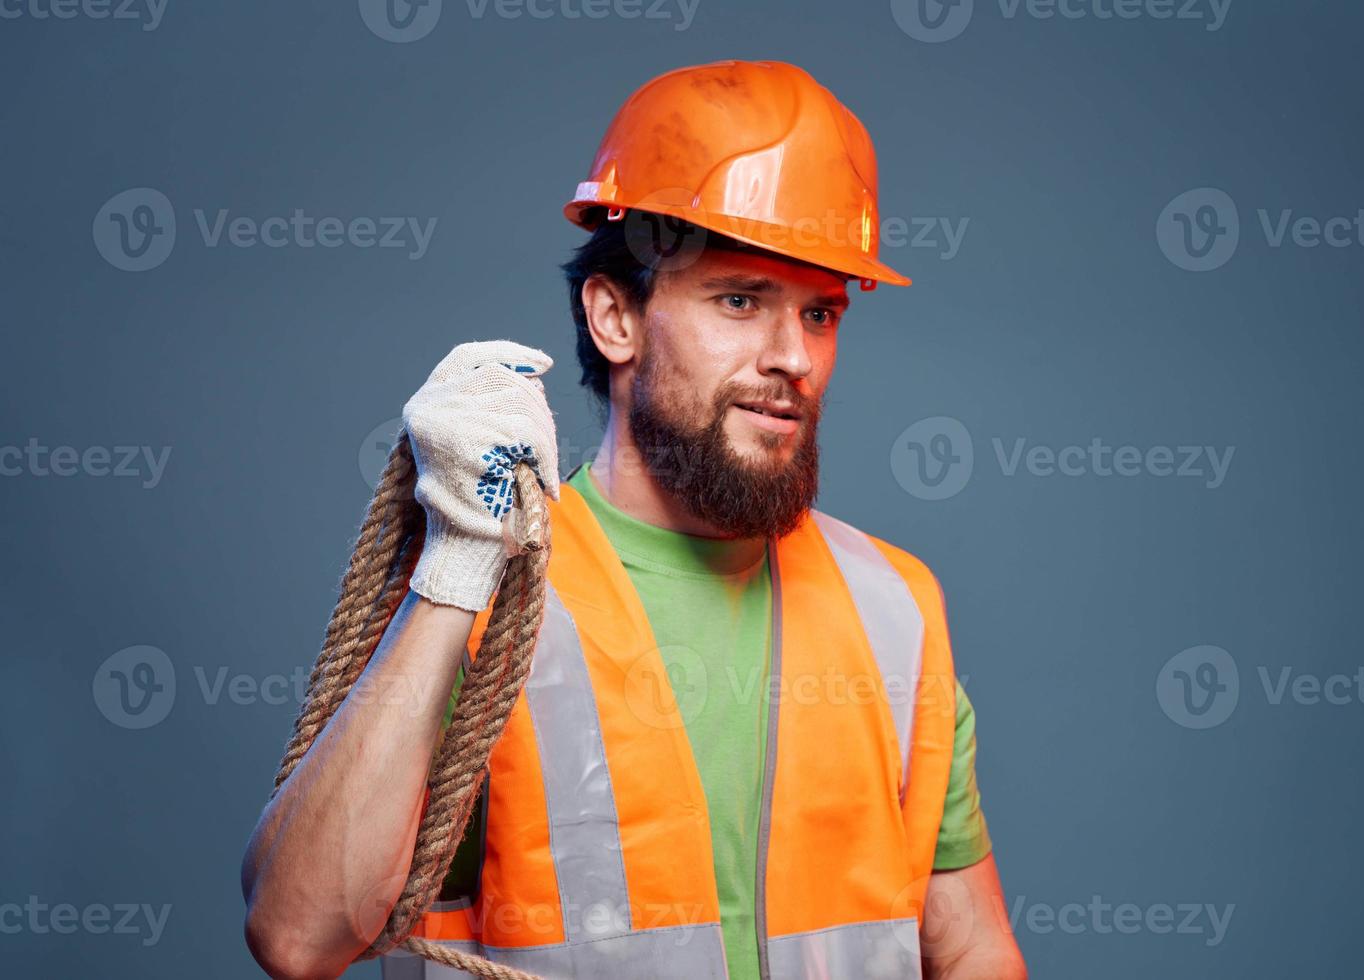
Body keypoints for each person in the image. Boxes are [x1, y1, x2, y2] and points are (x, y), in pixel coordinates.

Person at [241, 59, 1026, 980]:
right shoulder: (486, 598)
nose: (794, 359)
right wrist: (457, 570)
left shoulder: (895, 604)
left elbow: (968, 943)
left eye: (821, 313)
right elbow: (298, 939)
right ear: (615, 317)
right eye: (740, 300)